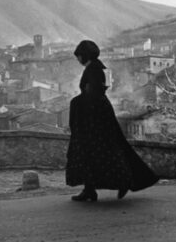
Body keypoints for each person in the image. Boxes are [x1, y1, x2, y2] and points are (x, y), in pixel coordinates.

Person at [66, 40, 159, 202]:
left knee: (100, 151)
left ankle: (120, 182)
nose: (78, 59)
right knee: (94, 151)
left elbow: (93, 93)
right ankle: (90, 189)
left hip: (94, 117)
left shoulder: (93, 69)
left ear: (84, 55)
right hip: (97, 114)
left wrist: (77, 102)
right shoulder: (96, 67)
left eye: (79, 56)